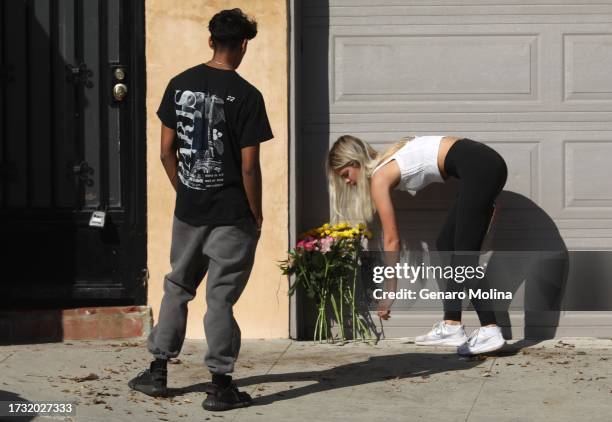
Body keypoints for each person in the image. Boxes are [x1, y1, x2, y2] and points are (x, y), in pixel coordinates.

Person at [128, 9, 273, 411]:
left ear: (210, 40)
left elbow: (164, 151)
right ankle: (220, 386)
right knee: (220, 299)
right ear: (244, 44)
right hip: (232, 215)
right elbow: (248, 165)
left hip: (189, 210)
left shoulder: (179, 84)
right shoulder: (247, 96)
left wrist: (184, 189)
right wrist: (256, 213)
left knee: (177, 286)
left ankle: (157, 372)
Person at [326, 135, 507, 355]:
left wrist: (390, 290)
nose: (346, 181)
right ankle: (451, 325)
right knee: (446, 244)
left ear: (354, 163)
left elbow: (392, 239)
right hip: (482, 165)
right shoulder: (388, 163)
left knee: (463, 257)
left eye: (345, 174)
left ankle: (490, 329)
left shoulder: (380, 177)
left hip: (482, 167)